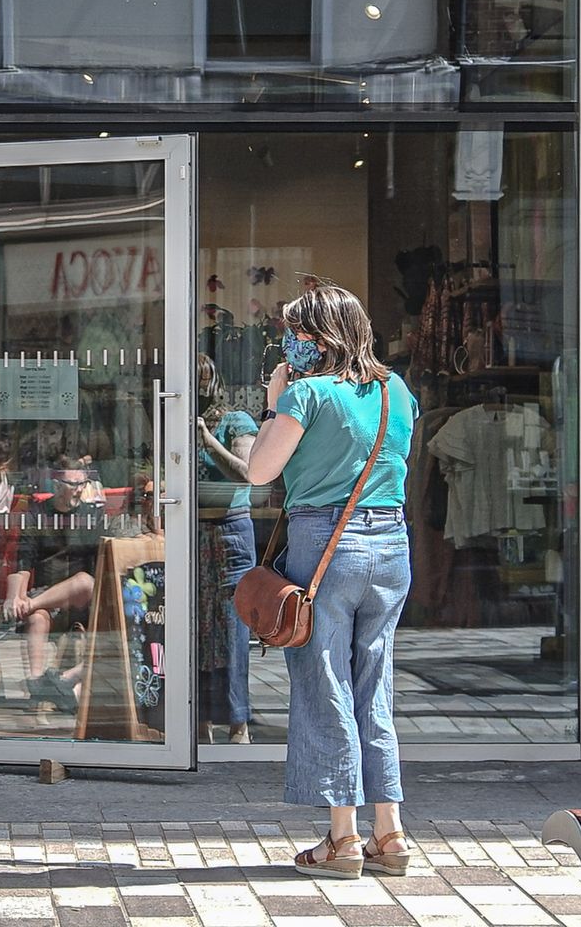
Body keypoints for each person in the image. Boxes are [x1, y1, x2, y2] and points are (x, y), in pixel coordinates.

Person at [244, 283, 421, 879]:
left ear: (318, 339)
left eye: (293, 332)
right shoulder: (396, 390)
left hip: (326, 545)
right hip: (390, 544)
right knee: (376, 684)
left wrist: (274, 404)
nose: (286, 342)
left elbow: (258, 469)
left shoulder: (307, 393)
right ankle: (389, 831)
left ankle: (342, 839)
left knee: (325, 686)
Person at [193, 353, 260, 744]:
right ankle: (200, 719)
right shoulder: (181, 419)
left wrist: (209, 441)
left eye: (202, 381)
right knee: (197, 627)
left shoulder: (236, 421)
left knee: (232, 628)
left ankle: (238, 722)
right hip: (195, 533)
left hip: (230, 530)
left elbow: (248, 473)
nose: (198, 390)